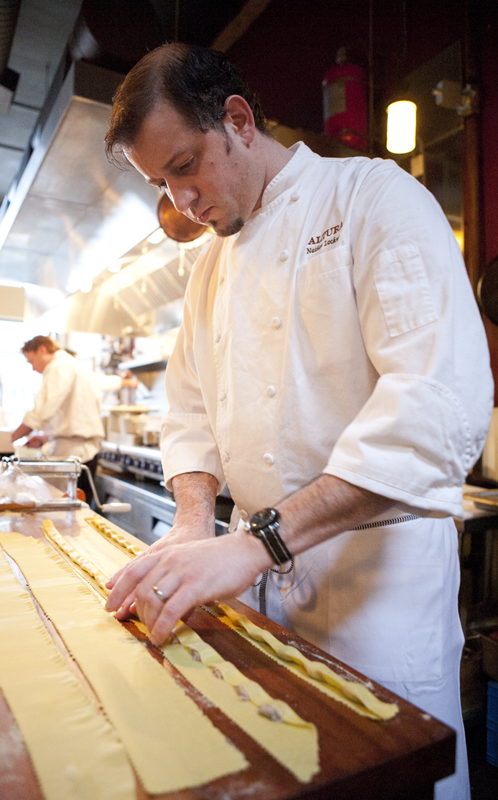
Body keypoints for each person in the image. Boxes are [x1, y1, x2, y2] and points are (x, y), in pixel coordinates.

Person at [103, 43, 493, 800]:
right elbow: (186, 406)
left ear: (239, 122)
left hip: (375, 588)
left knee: (382, 773)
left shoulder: (372, 199)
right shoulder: (209, 265)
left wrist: (257, 541)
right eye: (160, 183)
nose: (180, 202)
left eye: (184, 167)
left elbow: (435, 404)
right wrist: (191, 524)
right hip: (259, 583)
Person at [11, 335, 105, 503]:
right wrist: (46, 438)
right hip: (83, 452)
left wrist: (10, 438)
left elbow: (41, 411)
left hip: (74, 454)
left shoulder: (58, 366)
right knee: (78, 514)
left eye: (31, 361)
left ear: (42, 350)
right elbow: (75, 415)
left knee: (66, 515)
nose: (33, 368)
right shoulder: (74, 366)